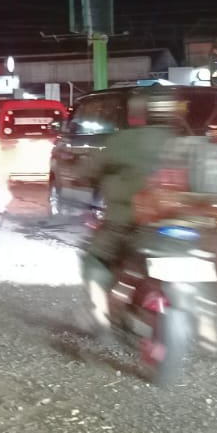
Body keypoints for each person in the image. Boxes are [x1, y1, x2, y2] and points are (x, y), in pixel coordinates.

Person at [77, 89, 189, 330]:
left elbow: (87, 171)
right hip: (178, 226)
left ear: (138, 114)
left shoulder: (122, 142)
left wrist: (86, 177)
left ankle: (99, 310)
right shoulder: (185, 143)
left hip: (127, 224)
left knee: (94, 257)